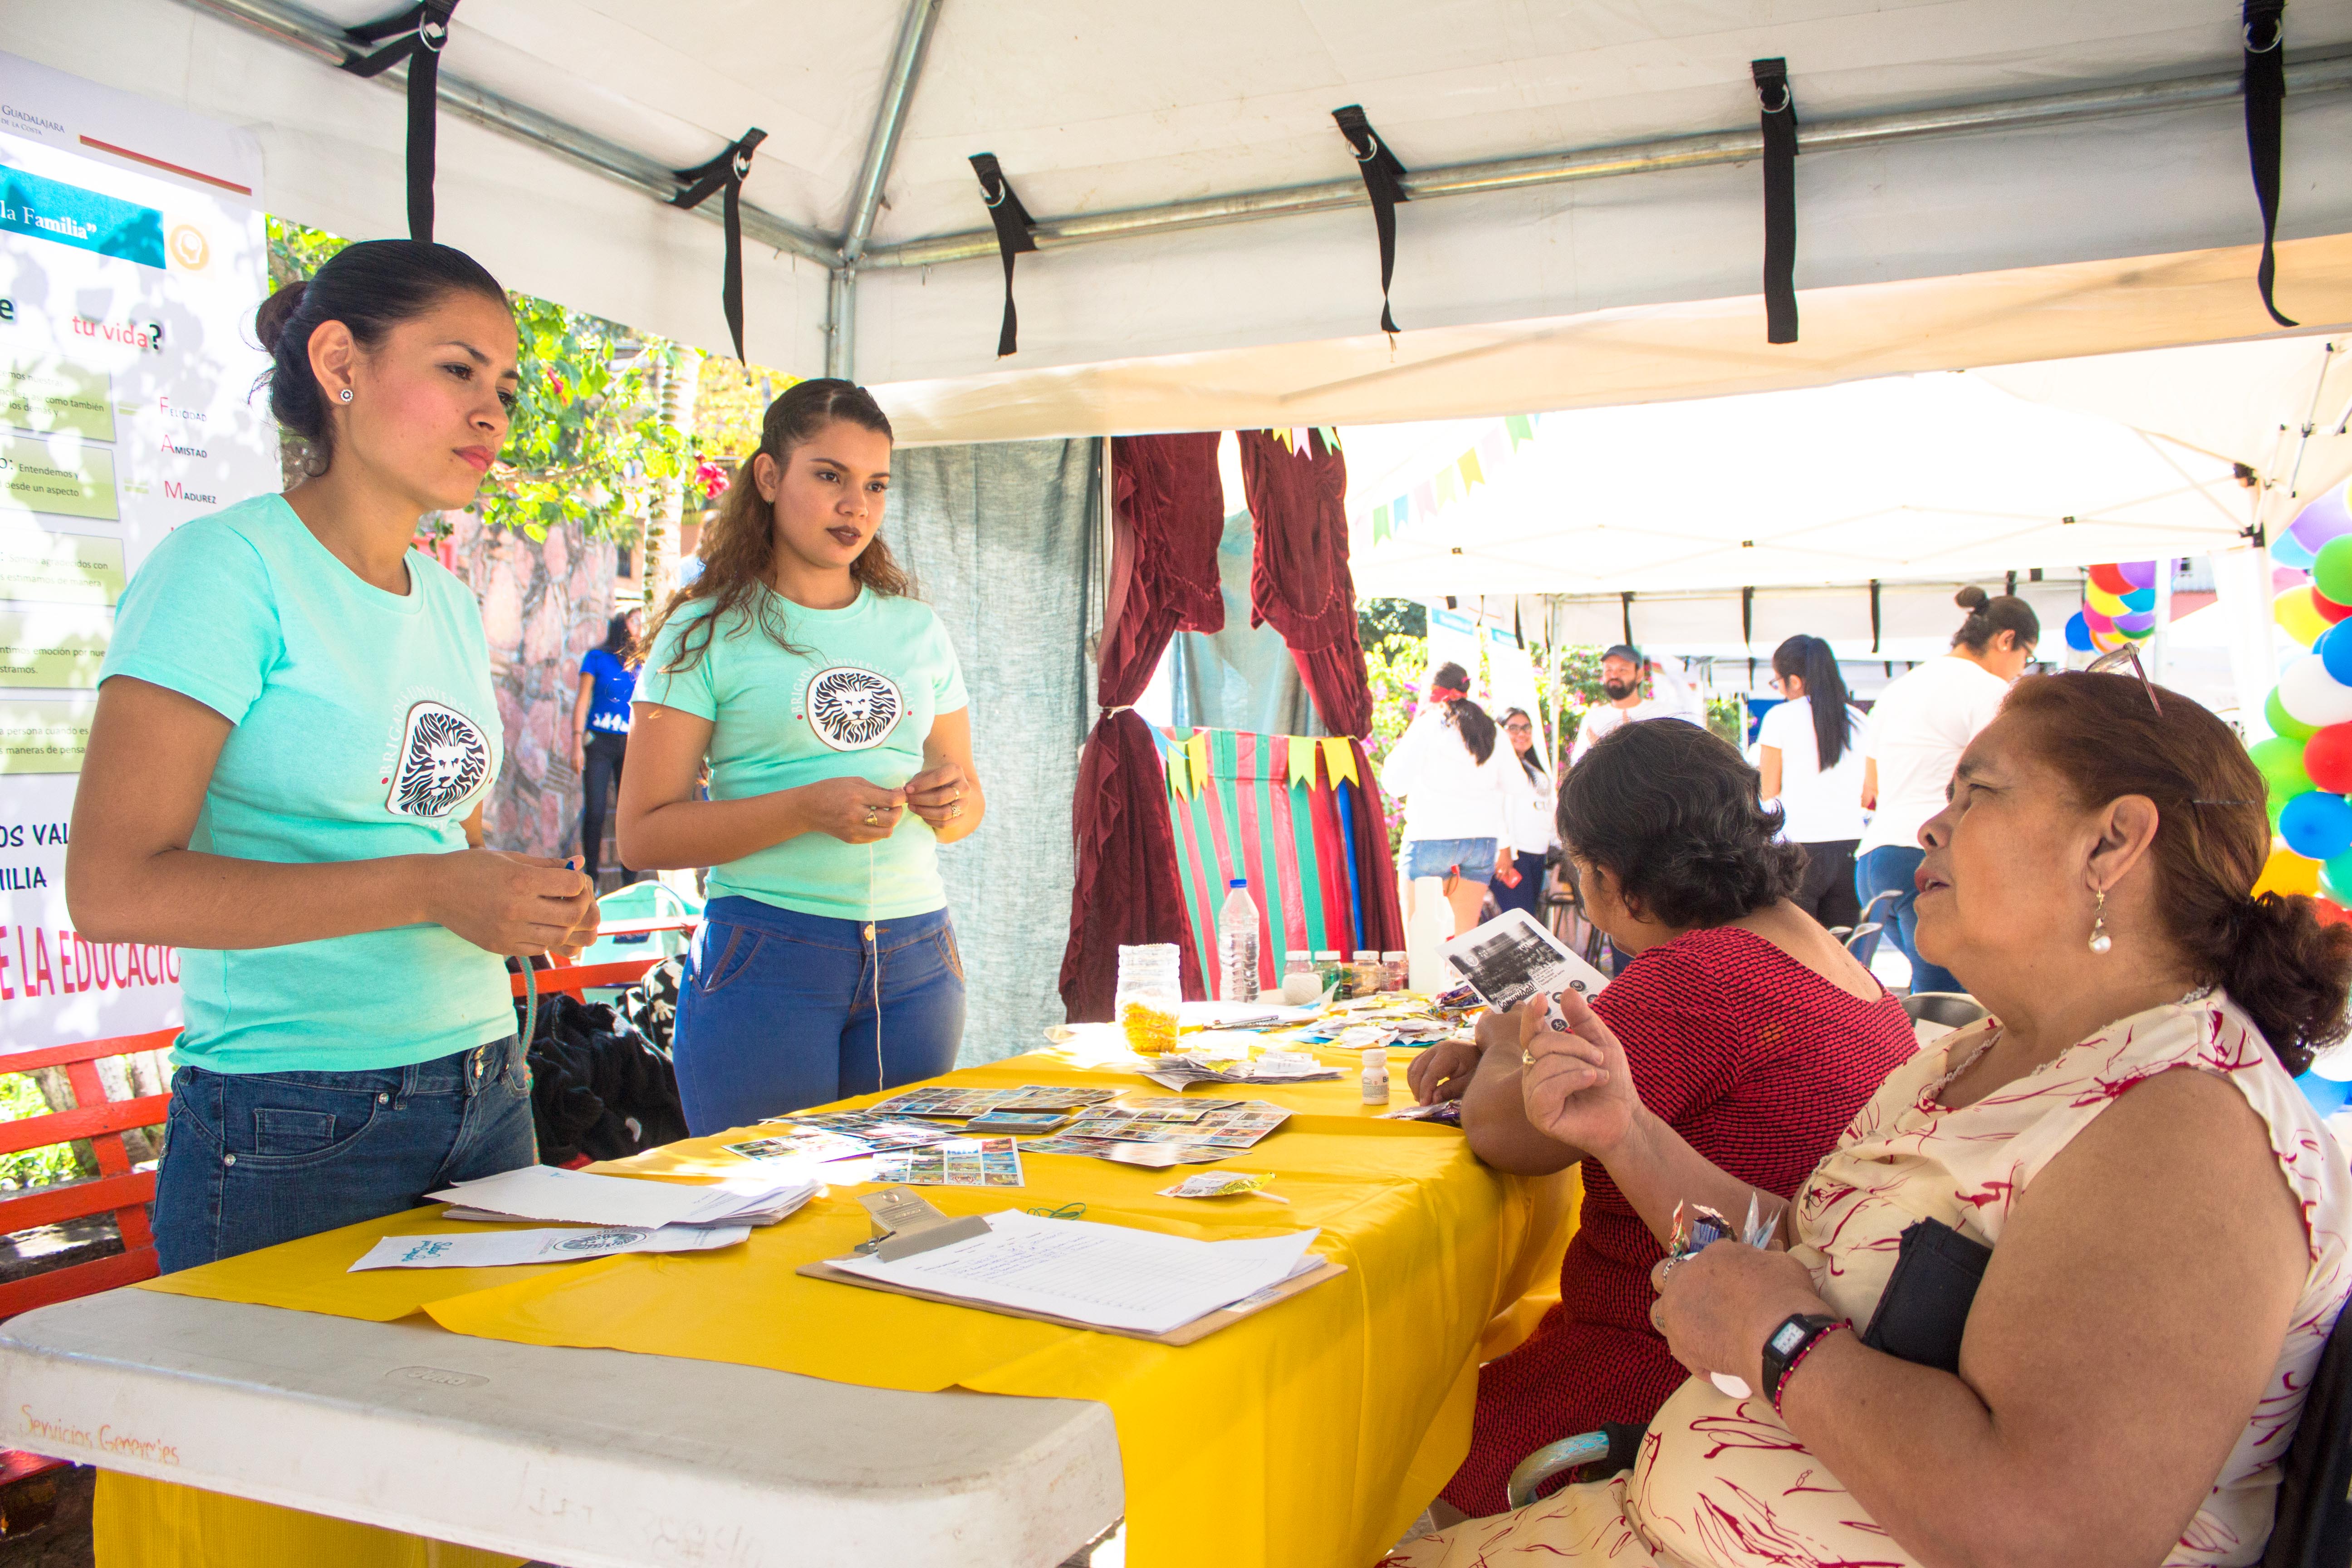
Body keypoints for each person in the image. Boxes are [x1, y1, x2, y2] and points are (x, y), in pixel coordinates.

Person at [1389, 667, 2352, 1568]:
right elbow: (1807, 1244)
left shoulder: (2182, 1130)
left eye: (1977, 793)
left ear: (2113, 842)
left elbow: (2051, 1538)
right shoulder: (1982, 1052)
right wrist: (1627, 1129)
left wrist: (1780, 1343)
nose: (1931, 825)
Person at [64, 240, 599, 1272]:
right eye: (456, 369)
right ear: (340, 363)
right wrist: (432, 888)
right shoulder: (227, 570)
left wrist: (524, 899)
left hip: (489, 1084)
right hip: (298, 1116)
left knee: (483, 1424)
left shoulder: (442, 598)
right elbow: (111, 886)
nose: (491, 412)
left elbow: (446, 835)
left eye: (506, 385)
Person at [1406, 718, 1917, 1520]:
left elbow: (1504, 1134)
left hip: (1669, 1368)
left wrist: (1503, 1032)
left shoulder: (1699, 975)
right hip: (1790, 1338)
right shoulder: (1822, 952)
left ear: (1609, 876)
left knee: (1394, 1436)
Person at [617, 378, 983, 1135]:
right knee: (767, 1220)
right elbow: (643, 835)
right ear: (768, 477)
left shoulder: (917, 630)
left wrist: (952, 801)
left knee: (899, 1220)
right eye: (830, 476)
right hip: (766, 957)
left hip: (918, 958)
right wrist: (804, 809)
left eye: (875, 485)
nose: (855, 505)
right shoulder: (702, 633)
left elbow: (966, 806)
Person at [1853, 586, 2038, 993]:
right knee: (1953, 992)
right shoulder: (1989, 691)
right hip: (1930, 854)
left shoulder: (1900, 688)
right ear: (2006, 640)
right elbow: (2001, 779)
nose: (2021, 671)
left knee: (1930, 990)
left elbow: (1871, 787)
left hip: (1874, 858)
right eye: (2027, 658)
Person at [1381, 662, 1521, 935]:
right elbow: (1515, 784)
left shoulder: (1428, 724)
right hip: (1480, 842)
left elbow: (1393, 784)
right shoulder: (1489, 728)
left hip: (1429, 839)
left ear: (1432, 690)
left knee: (1421, 947)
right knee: (1460, 945)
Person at [1757, 634, 1868, 931]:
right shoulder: (1859, 721)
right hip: (1850, 848)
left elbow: (1768, 789)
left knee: (1799, 955)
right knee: (1841, 951)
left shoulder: (1780, 717)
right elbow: (1869, 791)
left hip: (1798, 848)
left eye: (1777, 681)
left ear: (1794, 681)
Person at [572, 609, 640, 885]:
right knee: (596, 811)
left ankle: (630, 881)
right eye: (636, 621)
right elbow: (582, 700)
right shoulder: (596, 658)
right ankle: (593, 880)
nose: (641, 628)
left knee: (630, 813)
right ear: (621, 623)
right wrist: (576, 742)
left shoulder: (640, 664)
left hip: (630, 745)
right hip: (598, 742)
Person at [1568, 644, 1703, 764]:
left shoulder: (1662, 714)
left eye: (1623, 670)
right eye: (1609, 670)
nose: (1614, 675)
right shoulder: (1593, 719)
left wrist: (1631, 743)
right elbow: (1578, 767)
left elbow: (1677, 759)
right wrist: (1598, 754)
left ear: (1639, 675)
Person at [1491, 707, 1555, 921]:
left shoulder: (1532, 766)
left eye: (1526, 727)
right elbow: (1496, 810)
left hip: (1537, 856)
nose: (1522, 733)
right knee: (1518, 924)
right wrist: (1505, 852)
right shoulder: (1499, 766)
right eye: (1513, 728)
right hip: (1514, 857)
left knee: (1529, 922)